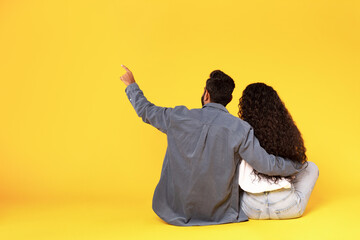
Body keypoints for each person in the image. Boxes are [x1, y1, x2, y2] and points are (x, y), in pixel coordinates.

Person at [120, 65, 304, 226]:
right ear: (229, 99)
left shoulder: (177, 117)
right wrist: (297, 165)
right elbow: (266, 165)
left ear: (206, 94)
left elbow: (145, 110)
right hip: (221, 216)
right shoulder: (240, 129)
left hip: (174, 213)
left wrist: (132, 85)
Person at [237, 83, 319, 219]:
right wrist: (295, 167)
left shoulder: (241, 131)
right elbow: (289, 163)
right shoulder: (285, 132)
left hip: (251, 209)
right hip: (288, 206)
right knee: (311, 167)